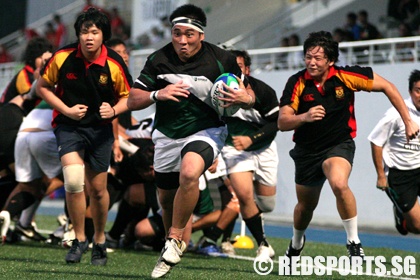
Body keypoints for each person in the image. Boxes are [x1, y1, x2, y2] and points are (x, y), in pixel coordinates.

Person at [126, 4, 255, 278]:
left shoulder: (222, 59)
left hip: (206, 130)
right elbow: (132, 99)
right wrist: (156, 95)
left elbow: (249, 94)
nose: (182, 41)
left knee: (190, 172)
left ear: (201, 35)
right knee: (167, 200)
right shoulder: (158, 59)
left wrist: (244, 98)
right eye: (176, 34)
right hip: (167, 134)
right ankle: (169, 244)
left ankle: (175, 239)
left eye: (189, 34)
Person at [278, 31, 419, 261]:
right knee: (305, 207)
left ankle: (353, 241)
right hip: (306, 151)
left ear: (330, 60)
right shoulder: (297, 82)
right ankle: (296, 243)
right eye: (308, 57)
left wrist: (408, 120)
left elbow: (389, 87)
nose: (311, 62)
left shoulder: (347, 76)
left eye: (318, 58)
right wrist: (304, 117)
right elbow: (283, 122)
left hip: (338, 145)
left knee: (339, 183)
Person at [37, 7, 132, 265]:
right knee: (73, 180)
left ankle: (99, 240)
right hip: (68, 126)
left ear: (103, 35)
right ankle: (79, 239)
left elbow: (129, 98)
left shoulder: (114, 62)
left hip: (100, 130)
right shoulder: (62, 57)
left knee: (99, 191)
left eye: (94, 32)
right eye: (84, 32)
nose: (89, 37)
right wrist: (66, 109)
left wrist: (113, 109)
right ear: (78, 35)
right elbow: (42, 87)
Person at [217, 49, 279, 260]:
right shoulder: (217, 90)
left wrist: (252, 139)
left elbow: (277, 123)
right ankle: (263, 244)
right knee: (243, 196)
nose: (234, 72)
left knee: (267, 205)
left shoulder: (263, 92)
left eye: (239, 67)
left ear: (248, 70)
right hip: (234, 149)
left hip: (264, 147)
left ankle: (252, 217)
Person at [368, 69, 420, 236]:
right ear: (410, 91)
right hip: (400, 175)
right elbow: (376, 141)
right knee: (417, 227)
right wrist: (381, 175)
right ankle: (402, 218)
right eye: (418, 91)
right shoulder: (396, 113)